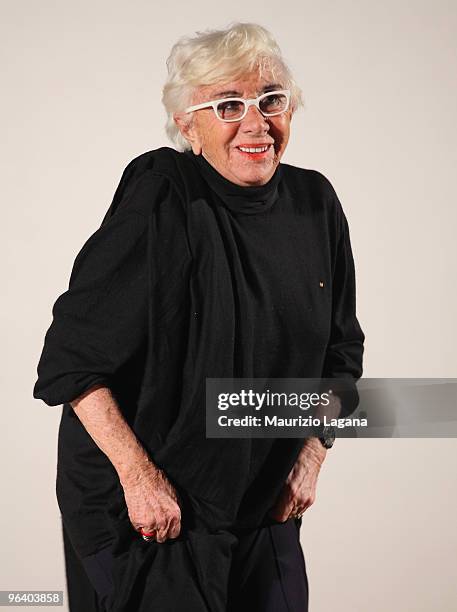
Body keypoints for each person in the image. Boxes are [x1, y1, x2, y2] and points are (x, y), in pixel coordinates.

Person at [33, 21, 364, 612]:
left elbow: (341, 353)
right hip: (149, 507)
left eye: (271, 100)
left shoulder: (315, 204)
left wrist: (312, 453)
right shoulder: (162, 198)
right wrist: (139, 479)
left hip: (258, 492)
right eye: (228, 105)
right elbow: (72, 366)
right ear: (189, 124)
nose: (256, 123)